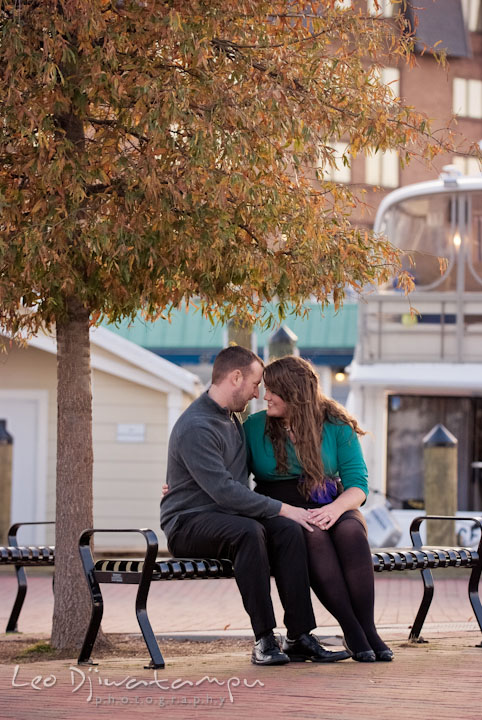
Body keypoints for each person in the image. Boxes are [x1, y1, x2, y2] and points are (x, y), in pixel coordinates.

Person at [160, 345, 350, 666]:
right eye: (255, 383)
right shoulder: (197, 426)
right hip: (188, 524)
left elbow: (234, 480)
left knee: (289, 531)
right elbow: (224, 491)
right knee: (250, 531)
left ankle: (299, 636)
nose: (258, 393)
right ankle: (264, 640)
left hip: (226, 518)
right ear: (236, 377)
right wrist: (284, 507)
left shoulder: (231, 420)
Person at [243, 355, 393, 662]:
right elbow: (228, 476)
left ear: (295, 392)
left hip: (332, 502)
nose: (265, 396)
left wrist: (336, 510)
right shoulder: (253, 427)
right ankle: (351, 630)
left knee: (351, 533)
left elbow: (358, 485)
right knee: (314, 537)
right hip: (284, 507)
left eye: (273, 390)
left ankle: (368, 629)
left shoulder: (336, 423)